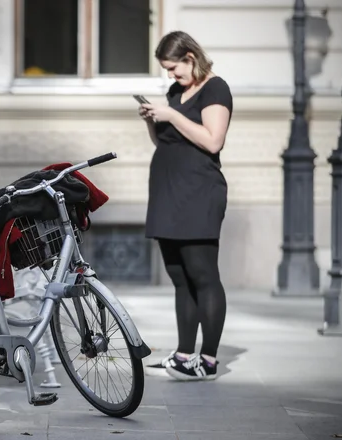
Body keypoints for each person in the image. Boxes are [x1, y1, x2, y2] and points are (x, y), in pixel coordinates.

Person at [138, 31, 233, 381]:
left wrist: (172, 115)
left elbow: (212, 140)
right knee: (179, 277)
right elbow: (164, 140)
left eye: (174, 69)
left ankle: (207, 361)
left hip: (198, 192)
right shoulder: (176, 93)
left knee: (203, 275)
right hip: (167, 192)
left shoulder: (215, 88)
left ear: (191, 58)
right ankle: (182, 355)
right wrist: (154, 119)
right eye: (167, 71)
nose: (171, 77)